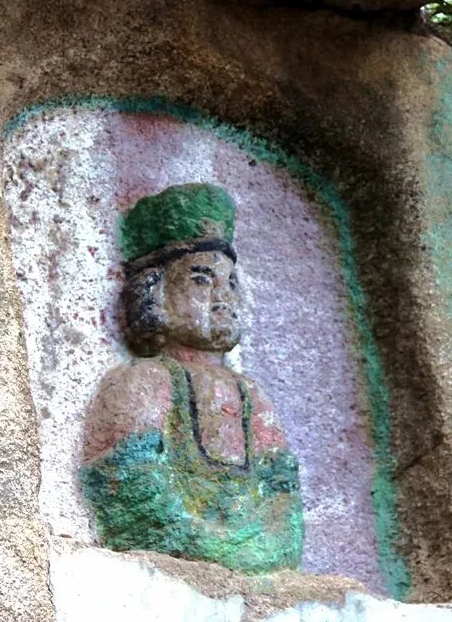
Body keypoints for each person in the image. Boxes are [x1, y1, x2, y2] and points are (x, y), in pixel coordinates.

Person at [80, 183, 303, 572]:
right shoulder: (143, 381)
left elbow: (282, 492)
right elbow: (130, 488)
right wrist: (209, 543)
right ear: (155, 294)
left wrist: (268, 547)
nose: (222, 296)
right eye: (201, 280)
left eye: (230, 282)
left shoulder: (250, 394)